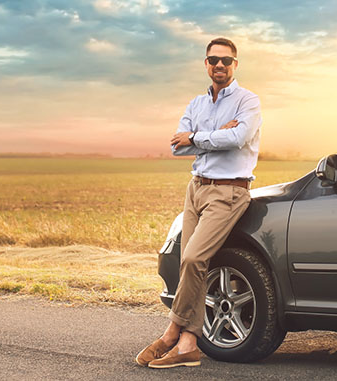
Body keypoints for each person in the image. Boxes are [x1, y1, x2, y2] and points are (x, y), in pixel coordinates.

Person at [135, 37, 261, 369]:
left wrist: (197, 137)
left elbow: (237, 139)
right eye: (213, 59)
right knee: (191, 265)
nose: (219, 65)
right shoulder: (196, 103)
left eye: (226, 60)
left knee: (192, 258)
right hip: (196, 189)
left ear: (236, 64)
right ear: (206, 64)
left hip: (228, 191)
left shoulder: (248, 101)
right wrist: (215, 134)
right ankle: (189, 345)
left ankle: (170, 333)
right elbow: (177, 146)